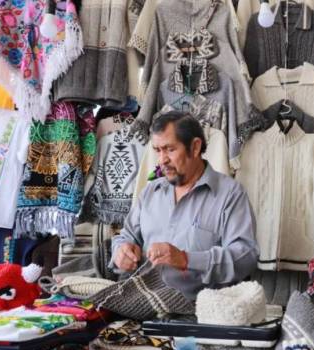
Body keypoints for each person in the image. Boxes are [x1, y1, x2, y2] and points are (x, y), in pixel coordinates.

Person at [110, 111, 259, 299]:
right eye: (157, 150)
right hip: (145, 307)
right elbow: (125, 237)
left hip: (203, 314)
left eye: (170, 149)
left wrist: (186, 259)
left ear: (195, 147)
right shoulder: (150, 192)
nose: (162, 160)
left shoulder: (230, 195)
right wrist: (121, 251)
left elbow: (245, 257)